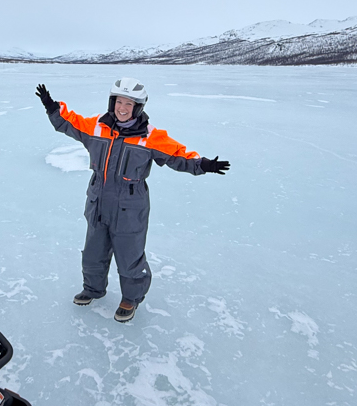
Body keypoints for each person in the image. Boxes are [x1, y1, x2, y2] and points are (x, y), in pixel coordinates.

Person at [36, 78, 230, 323]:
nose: (122, 108)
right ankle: (93, 289)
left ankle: (131, 298)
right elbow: (70, 123)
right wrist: (52, 108)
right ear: (112, 102)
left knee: (130, 256)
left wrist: (203, 164)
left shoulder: (149, 137)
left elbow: (176, 155)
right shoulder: (96, 127)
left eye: (129, 103)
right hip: (98, 202)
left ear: (138, 107)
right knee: (93, 252)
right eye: (119, 101)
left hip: (130, 207)